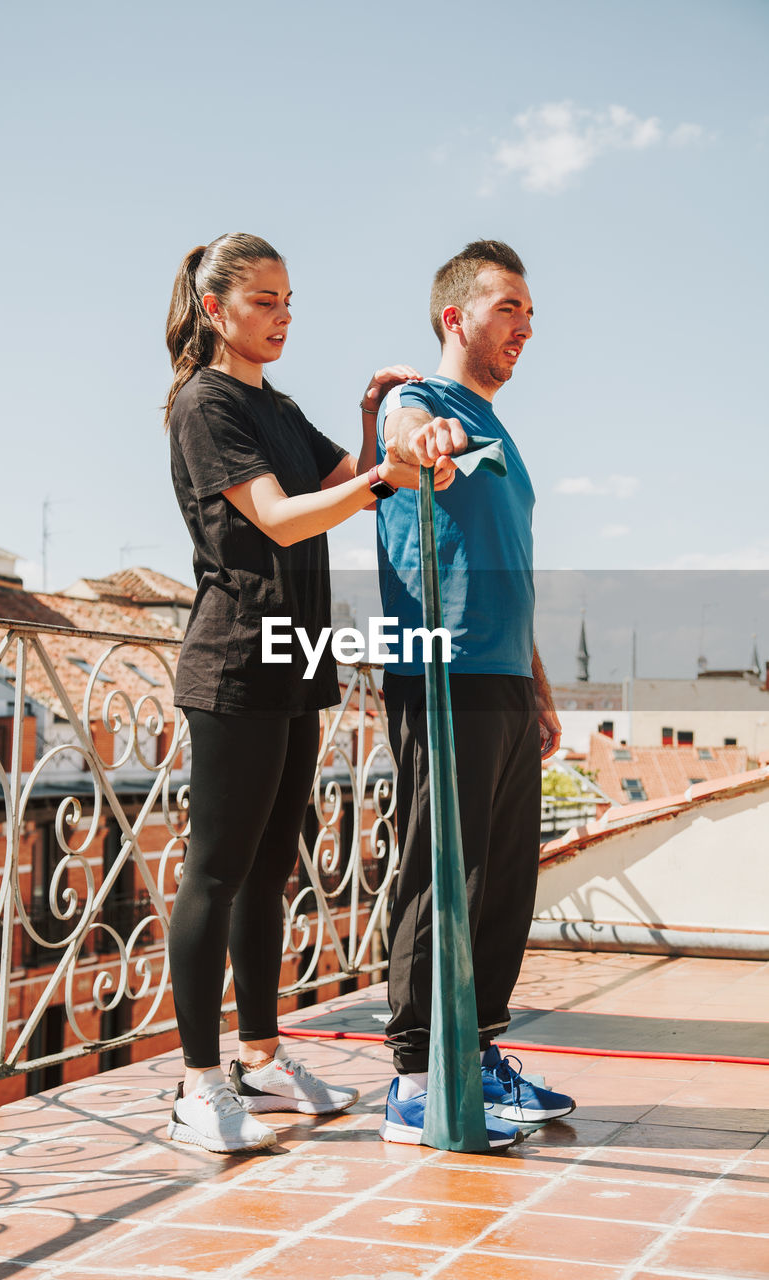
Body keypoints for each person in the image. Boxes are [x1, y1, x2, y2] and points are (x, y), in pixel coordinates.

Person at [163, 232, 454, 1155]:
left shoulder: (275, 406)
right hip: (234, 663)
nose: (282, 317)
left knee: (270, 871)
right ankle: (199, 1084)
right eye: (263, 302)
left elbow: (342, 478)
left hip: (298, 658)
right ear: (215, 309)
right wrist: (377, 477)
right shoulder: (204, 405)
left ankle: (258, 1056)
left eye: (289, 301)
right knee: (215, 872)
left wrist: (377, 422)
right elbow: (284, 518)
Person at [374, 239, 576, 1149]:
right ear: (456, 318)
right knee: (439, 876)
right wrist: (417, 442)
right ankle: (416, 1080)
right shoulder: (418, 400)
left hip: (499, 677)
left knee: (501, 883)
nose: (524, 326)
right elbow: (400, 444)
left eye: (529, 313)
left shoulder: (502, 427)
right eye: (507, 309)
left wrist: (535, 684)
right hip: (440, 674)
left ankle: (480, 1057)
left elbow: (505, 568)